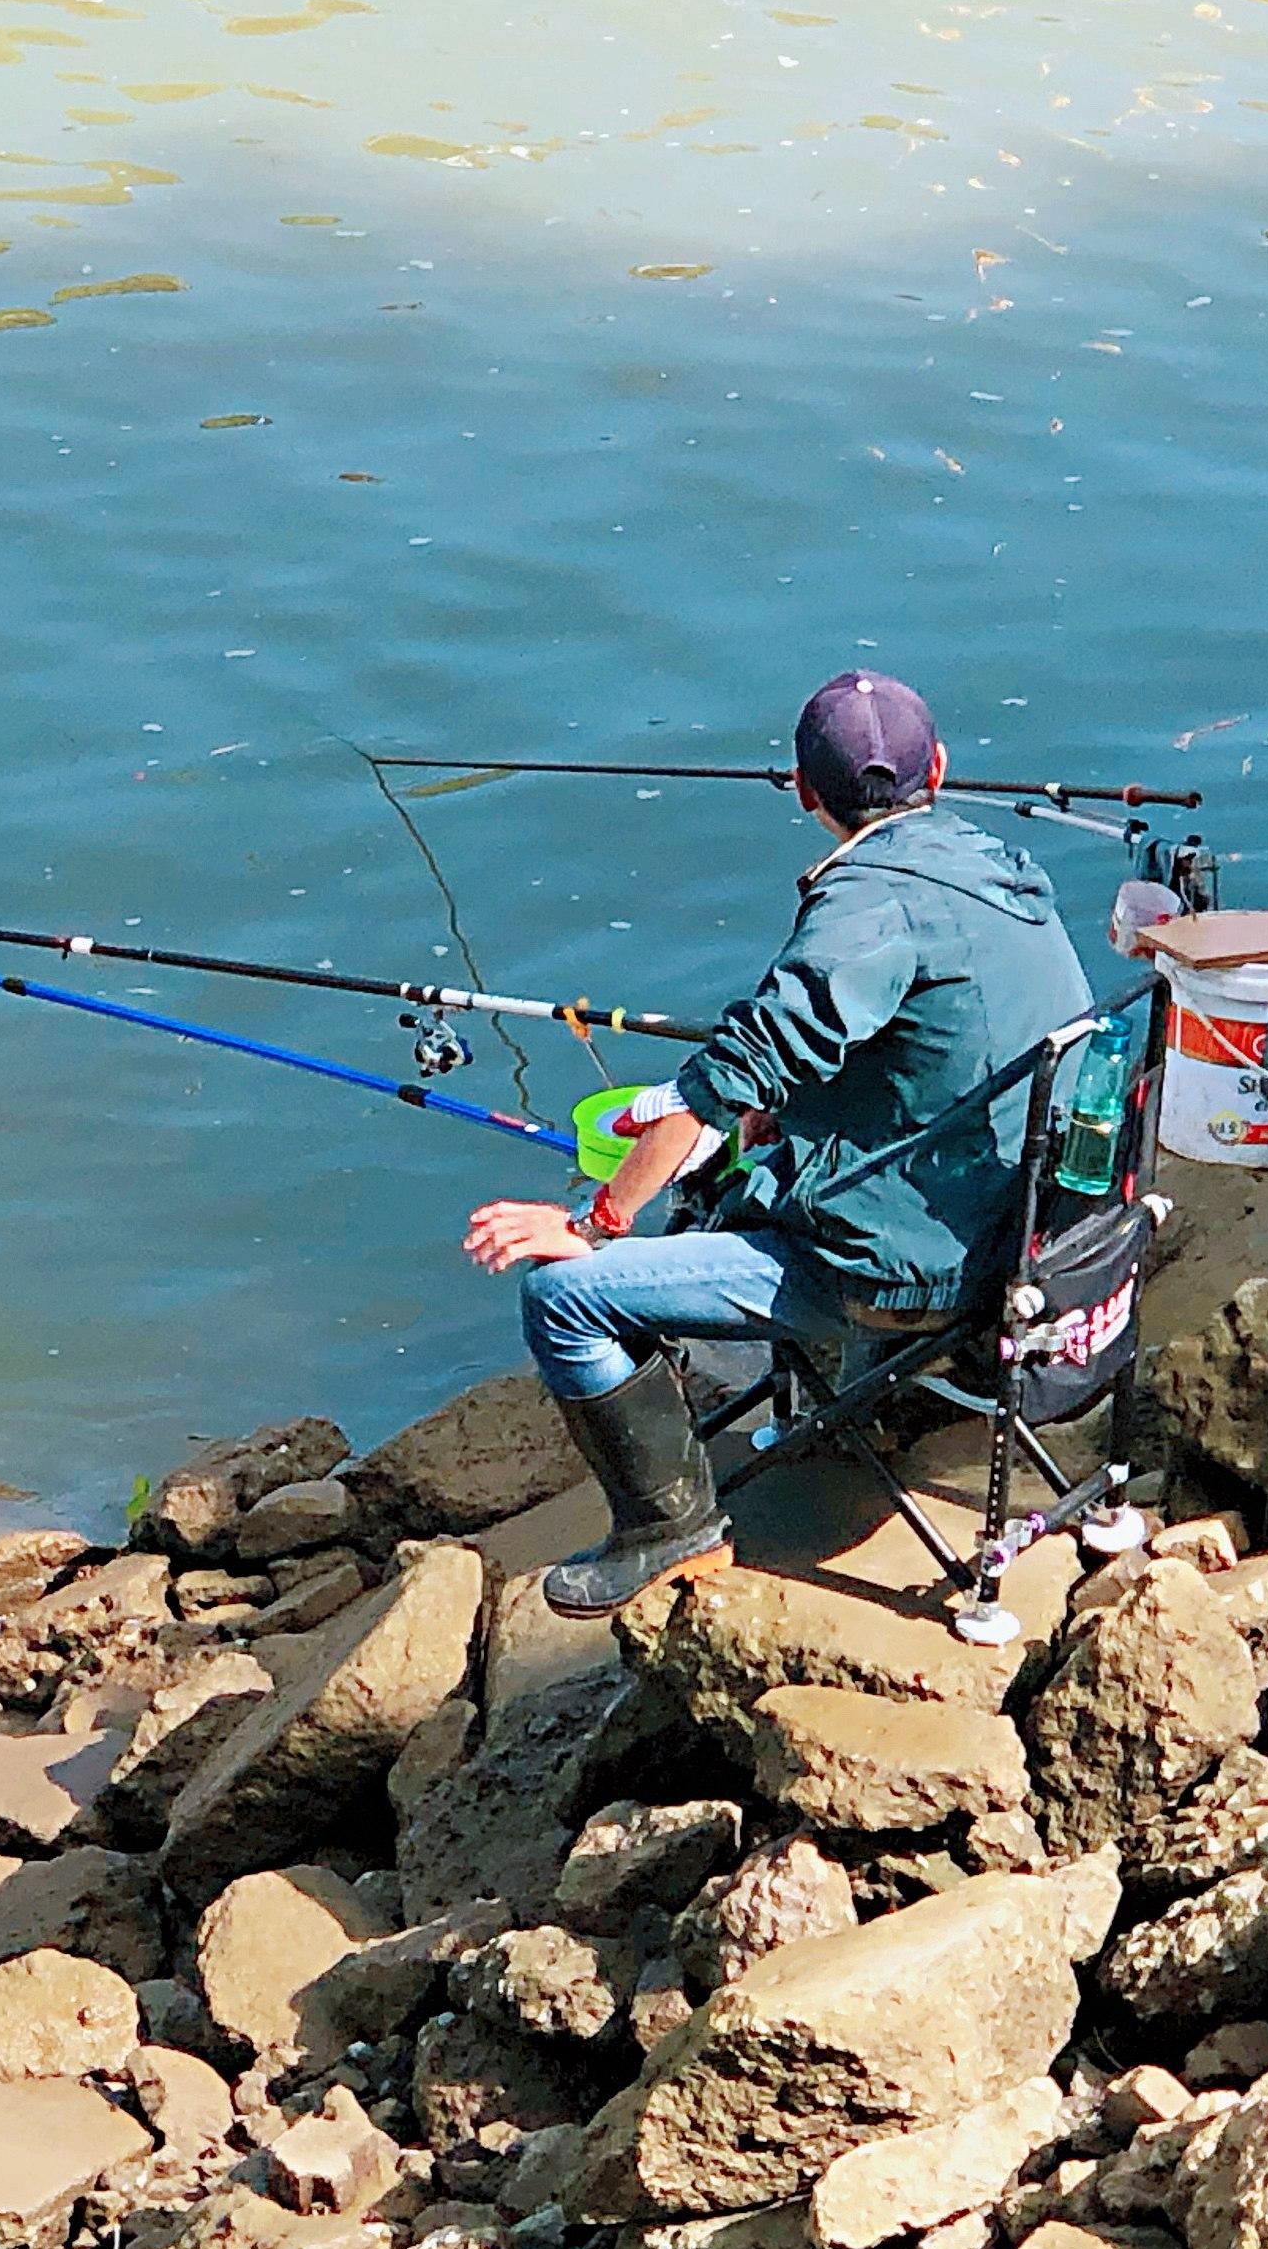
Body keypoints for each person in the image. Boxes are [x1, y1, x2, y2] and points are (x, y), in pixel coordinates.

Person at [463, 669, 1095, 1618]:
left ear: (805, 792)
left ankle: (667, 1529)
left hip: (912, 1275)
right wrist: (788, 1105)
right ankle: (863, 1406)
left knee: (560, 1298)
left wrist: (595, 1225)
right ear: (942, 769)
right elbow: (936, 1042)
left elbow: (721, 1081)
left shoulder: (861, 911)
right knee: (758, 1150)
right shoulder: (991, 867)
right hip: (1037, 1225)